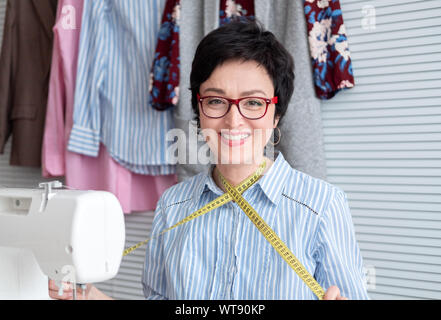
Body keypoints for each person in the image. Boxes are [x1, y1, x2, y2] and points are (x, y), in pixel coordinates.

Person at [49, 18, 369, 300]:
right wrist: (89, 297)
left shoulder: (322, 205)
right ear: (199, 110)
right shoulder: (172, 206)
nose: (233, 121)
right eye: (216, 101)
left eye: (254, 103)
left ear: (276, 113)